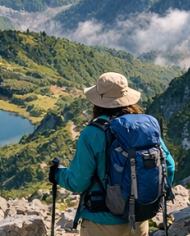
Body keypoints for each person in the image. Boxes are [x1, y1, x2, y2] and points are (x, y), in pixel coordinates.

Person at [49, 73, 175, 236]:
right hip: (139, 219)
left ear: (98, 102)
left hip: (102, 222)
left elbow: (78, 182)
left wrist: (58, 175)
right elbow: (169, 167)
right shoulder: (145, 128)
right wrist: (146, 194)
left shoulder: (92, 133)